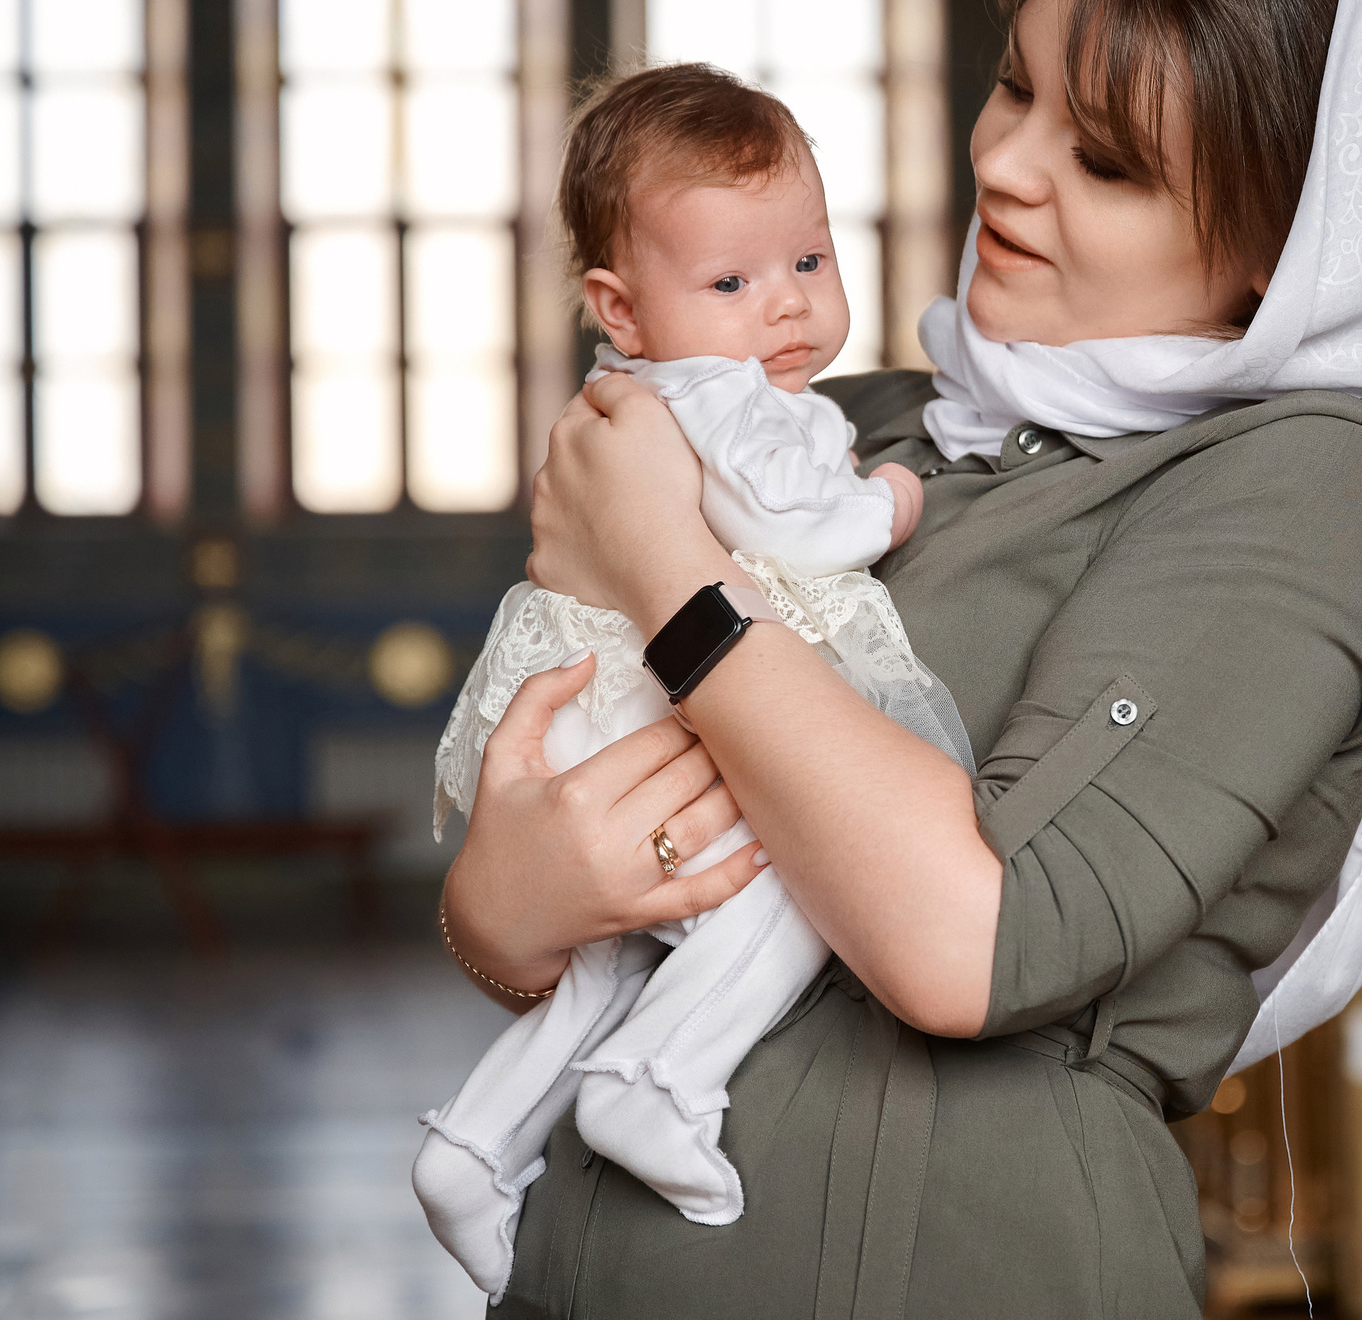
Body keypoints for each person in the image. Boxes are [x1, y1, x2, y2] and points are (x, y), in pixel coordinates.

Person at [440, 0, 1362, 1319]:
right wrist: (501, 909)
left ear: (1278, 251)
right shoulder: (880, 423)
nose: (1004, 164)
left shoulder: (1311, 483)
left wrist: (663, 560)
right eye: (1014, 85)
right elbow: (580, 862)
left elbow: (971, 948)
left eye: (1104, 160)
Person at [415, 66, 971, 1298]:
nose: (783, 309)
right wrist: (887, 499)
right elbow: (799, 526)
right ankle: (659, 1080)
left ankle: (477, 1140)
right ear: (620, 308)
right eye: (730, 283)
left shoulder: (665, 389)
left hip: (591, 711)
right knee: (806, 876)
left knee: (617, 954)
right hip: (646, 703)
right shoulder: (721, 396)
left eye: (809, 263)